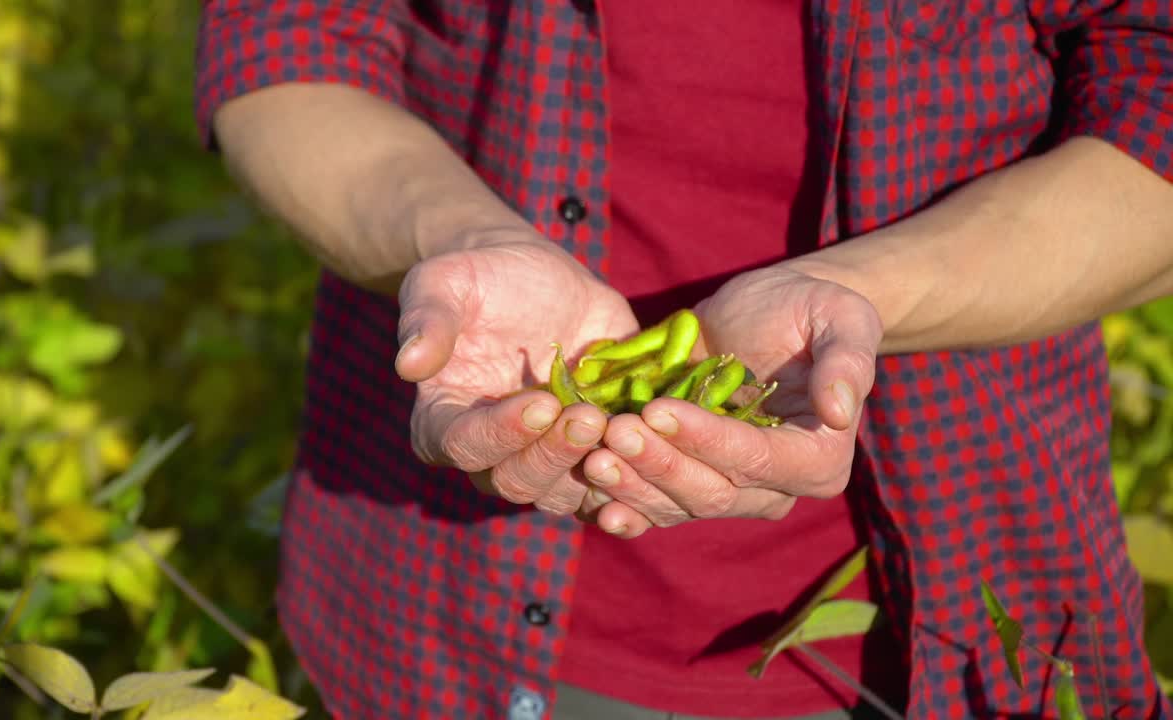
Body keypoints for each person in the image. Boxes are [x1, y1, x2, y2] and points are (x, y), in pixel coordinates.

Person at [195, 1, 1173, 718]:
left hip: (957, 628)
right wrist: (455, 237)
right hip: (436, 610)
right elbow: (286, 37)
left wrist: (867, 295)